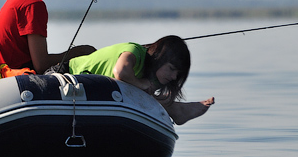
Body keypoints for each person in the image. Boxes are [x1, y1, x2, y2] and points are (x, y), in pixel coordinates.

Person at [64, 35, 214, 125]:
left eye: (178, 74)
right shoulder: (134, 50)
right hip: (66, 74)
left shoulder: (152, 76)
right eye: (171, 69)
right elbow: (120, 72)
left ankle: (175, 109)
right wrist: (141, 84)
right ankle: (175, 109)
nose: (174, 77)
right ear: (159, 58)